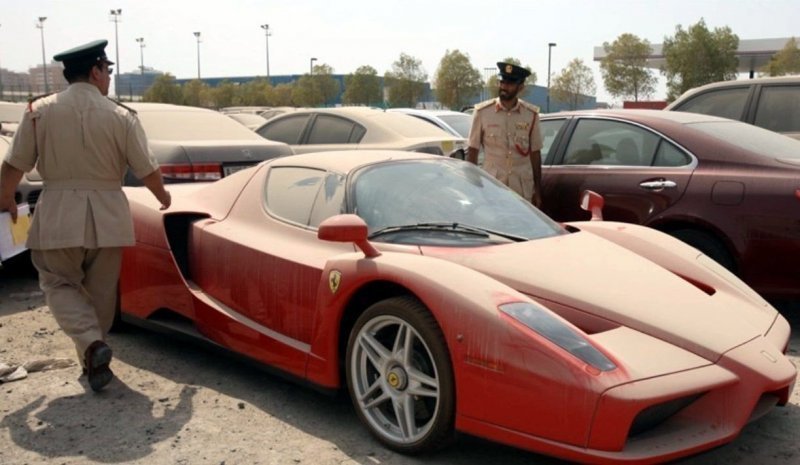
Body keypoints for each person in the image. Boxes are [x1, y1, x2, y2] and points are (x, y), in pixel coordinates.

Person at [0, 39, 171, 392]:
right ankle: (93, 359)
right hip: (109, 216)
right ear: (95, 71)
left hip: (60, 212)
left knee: (57, 282)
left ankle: (92, 348)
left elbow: (14, 164)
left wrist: (4, 198)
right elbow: (146, 169)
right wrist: (163, 196)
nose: (109, 77)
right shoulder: (122, 115)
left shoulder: (38, 112)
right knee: (100, 294)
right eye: (107, 70)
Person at [467, 61, 544, 207]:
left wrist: (538, 191)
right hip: (492, 187)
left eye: (510, 84)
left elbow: (535, 154)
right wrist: (472, 188)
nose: (504, 87)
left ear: (520, 87)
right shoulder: (483, 112)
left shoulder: (530, 115)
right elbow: (472, 151)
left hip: (521, 189)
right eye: (502, 82)